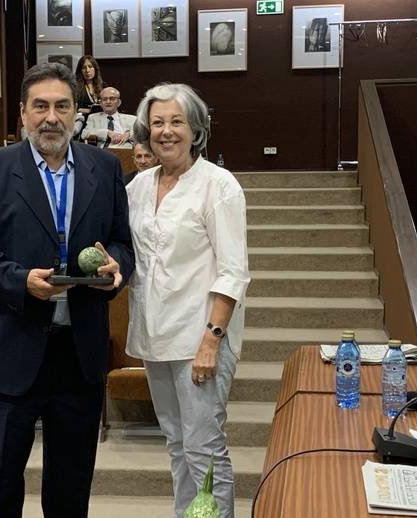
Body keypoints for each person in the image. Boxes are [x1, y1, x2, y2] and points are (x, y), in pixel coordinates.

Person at [0, 62, 134, 518]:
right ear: (23, 113)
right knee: (2, 487)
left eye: (62, 106)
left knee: (71, 492)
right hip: (9, 349)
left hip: (79, 353)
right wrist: (18, 281)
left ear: (77, 113)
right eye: (41, 106)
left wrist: (116, 267)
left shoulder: (105, 168)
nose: (52, 117)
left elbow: (122, 242)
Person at [125, 83, 250, 518]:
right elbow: (132, 253)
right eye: (158, 122)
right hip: (156, 335)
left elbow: (234, 270)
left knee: (204, 449)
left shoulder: (219, 185)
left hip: (201, 337)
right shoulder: (138, 186)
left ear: (196, 128)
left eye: (177, 121)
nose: (166, 131)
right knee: (177, 444)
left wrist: (212, 339)